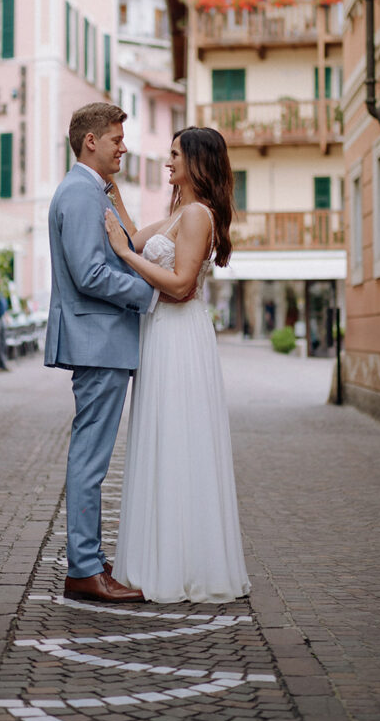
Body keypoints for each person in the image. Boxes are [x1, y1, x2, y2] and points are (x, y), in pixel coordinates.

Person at [105, 127, 250, 604]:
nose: (166, 162)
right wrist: (109, 185)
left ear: (195, 161)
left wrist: (126, 255)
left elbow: (181, 284)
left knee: (179, 440)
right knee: (161, 439)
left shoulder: (197, 215)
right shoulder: (175, 214)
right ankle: (159, 557)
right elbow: (130, 233)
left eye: (173, 155)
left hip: (180, 337)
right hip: (160, 336)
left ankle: (185, 563)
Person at [45, 102, 155, 603]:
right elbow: (89, 273)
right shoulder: (81, 193)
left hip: (102, 339)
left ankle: (89, 558)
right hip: (100, 339)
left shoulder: (90, 191)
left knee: (92, 458)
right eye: (116, 139)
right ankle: (84, 570)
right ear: (91, 141)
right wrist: (148, 293)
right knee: (90, 460)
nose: (123, 147)